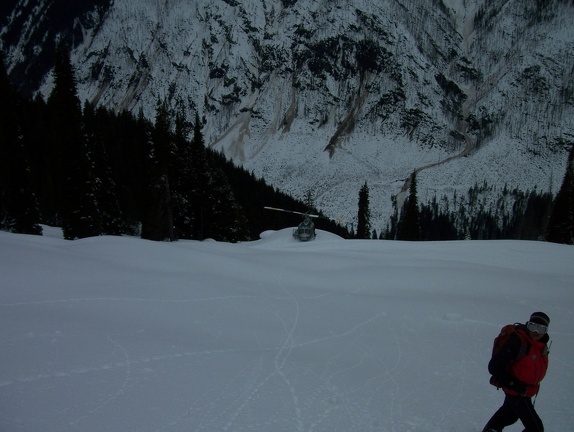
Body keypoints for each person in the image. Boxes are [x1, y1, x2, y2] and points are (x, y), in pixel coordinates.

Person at [482, 311, 550, 432]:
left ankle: (490, 430)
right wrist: (514, 385)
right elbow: (494, 367)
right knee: (536, 428)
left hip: (526, 391)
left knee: (509, 416)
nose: (535, 331)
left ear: (546, 331)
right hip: (518, 392)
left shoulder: (541, 346)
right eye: (533, 326)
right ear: (527, 325)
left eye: (540, 329)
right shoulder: (517, 341)